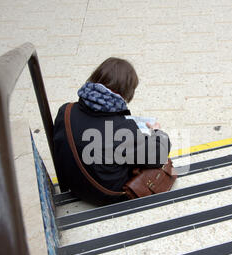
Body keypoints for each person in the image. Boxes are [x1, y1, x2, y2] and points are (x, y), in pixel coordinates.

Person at [53, 57, 171, 205]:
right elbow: (159, 154)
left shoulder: (66, 110)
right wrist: (157, 133)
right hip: (107, 195)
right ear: (126, 92)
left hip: (73, 186)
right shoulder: (122, 129)